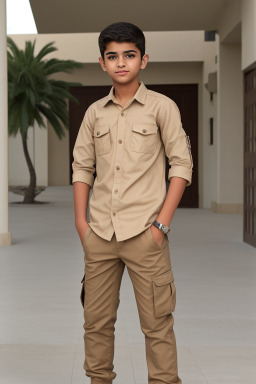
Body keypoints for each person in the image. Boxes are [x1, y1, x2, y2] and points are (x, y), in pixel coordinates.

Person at [72, 21, 193, 384]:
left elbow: (182, 165)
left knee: (157, 326)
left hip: (146, 235)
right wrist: (82, 225)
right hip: (100, 237)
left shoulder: (162, 107)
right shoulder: (94, 113)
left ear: (143, 60)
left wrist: (161, 226)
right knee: (95, 325)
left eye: (129, 55)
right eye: (113, 56)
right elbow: (82, 167)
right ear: (102, 62)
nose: (121, 62)